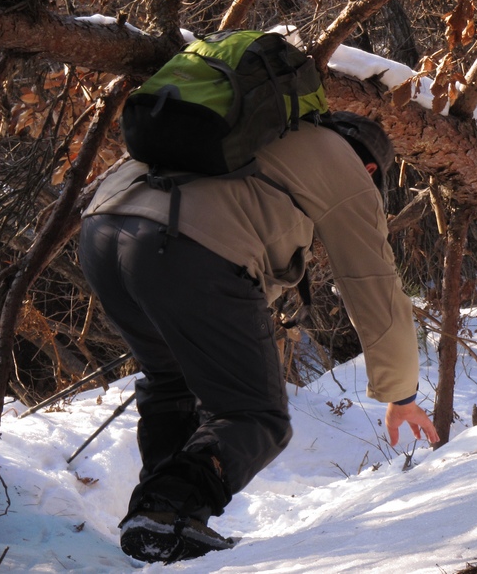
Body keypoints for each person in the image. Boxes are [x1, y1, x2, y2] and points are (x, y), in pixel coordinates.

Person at [78, 112, 439, 563]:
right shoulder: (340, 162)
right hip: (180, 247)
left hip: (101, 230)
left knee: (173, 384)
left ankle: (162, 524)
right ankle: (166, 512)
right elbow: (373, 282)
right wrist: (400, 390)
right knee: (255, 413)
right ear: (370, 169)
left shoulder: (256, 131)